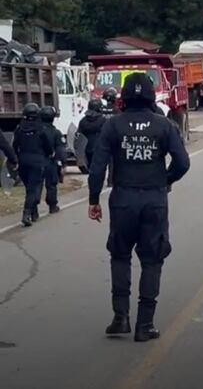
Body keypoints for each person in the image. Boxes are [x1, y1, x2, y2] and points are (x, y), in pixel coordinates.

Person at [88, 72, 190, 341]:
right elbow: (182, 163)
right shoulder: (164, 125)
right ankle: (145, 325)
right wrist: (165, 180)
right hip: (154, 200)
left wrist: (93, 199)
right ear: (150, 95)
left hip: (122, 200)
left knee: (120, 256)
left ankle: (120, 317)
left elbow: (97, 167)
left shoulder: (113, 126)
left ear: (123, 96)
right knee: (152, 259)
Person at [13, 103, 54, 226]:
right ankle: (26, 214)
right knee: (33, 190)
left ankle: (33, 212)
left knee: (29, 188)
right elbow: (48, 146)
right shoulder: (41, 129)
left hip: (23, 161)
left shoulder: (19, 129)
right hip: (37, 161)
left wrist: (16, 158)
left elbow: (15, 145)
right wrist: (49, 154)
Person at [39, 105, 66, 214]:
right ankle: (52, 205)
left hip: (38, 161)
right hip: (50, 161)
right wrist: (63, 163)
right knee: (51, 184)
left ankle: (33, 210)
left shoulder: (37, 131)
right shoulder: (56, 133)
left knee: (37, 185)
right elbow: (60, 149)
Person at [79, 99, 108, 179]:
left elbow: (79, 134)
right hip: (100, 149)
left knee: (91, 170)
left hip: (86, 149)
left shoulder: (83, 121)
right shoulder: (103, 120)